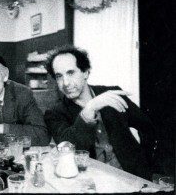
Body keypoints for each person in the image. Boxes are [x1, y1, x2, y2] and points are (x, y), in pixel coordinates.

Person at [44, 46, 157, 180]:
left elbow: (148, 127)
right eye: (59, 76)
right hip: (91, 182)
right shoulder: (54, 113)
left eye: (70, 73)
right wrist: (89, 110)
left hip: (133, 177)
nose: (66, 83)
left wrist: (145, 162)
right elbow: (69, 151)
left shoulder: (112, 94)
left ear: (86, 72)